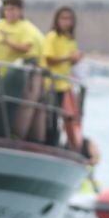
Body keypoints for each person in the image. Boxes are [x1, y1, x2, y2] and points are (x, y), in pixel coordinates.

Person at [42, 8, 84, 150]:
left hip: (63, 85)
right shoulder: (52, 36)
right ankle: (49, 143)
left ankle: (64, 144)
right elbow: (49, 59)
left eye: (69, 19)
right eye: (63, 18)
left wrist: (75, 59)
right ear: (57, 20)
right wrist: (68, 58)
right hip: (50, 84)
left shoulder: (70, 40)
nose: (66, 22)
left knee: (62, 116)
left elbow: (69, 63)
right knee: (50, 117)